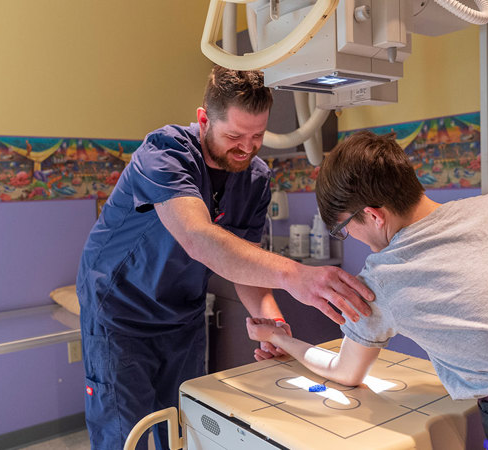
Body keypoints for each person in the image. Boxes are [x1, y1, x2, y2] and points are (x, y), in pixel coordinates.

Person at [76, 66, 374, 450]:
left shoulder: (255, 179)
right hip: (119, 312)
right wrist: (294, 275)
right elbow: (199, 238)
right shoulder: (164, 153)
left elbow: (244, 263)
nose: (247, 148)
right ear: (204, 120)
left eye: (257, 136)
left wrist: (271, 321)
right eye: (234, 135)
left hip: (181, 314)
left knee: (181, 427)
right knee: (124, 433)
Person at [246, 130, 488, 449]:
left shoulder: (385, 276)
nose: (349, 237)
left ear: (373, 216)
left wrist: (279, 340)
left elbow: (345, 372)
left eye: (343, 229)